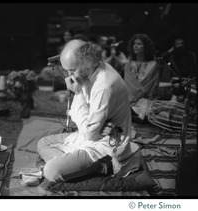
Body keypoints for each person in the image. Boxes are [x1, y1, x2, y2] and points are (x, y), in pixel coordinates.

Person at [37, 39, 141, 182]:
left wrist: (78, 93)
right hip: (90, 134)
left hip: (105, 146)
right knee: (43, 142)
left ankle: (103, 166)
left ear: (85, 62)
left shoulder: (105, 85)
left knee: (50, 171)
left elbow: (89, 134)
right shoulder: (90, 70)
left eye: (72, 70)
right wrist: (91, 122)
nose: (69, 75)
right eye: (67, 70)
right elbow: (79, 118)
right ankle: (72, 162)